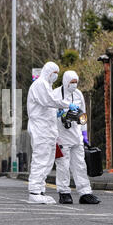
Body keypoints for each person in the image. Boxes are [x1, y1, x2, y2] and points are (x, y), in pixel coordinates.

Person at [27, 62, 78, 204]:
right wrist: (67, 105)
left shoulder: (46, 86)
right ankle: (34, 191)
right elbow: (49, 101)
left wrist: (57, 113)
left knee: (48, 161)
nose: (56, 76)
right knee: (41, 159)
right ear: (49, 72)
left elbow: (47, 107)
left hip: (48, 130)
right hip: (41, 130)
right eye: (54, 72)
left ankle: (39, 190)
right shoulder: (39, 84)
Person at [54, 71, 101, 205]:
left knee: (80, 165)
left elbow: (83, 115)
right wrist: (59, 114)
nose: (74, 85)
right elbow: (49, 113)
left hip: (76, 135)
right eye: (71, 82)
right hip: (61, 136)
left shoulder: (78, 94)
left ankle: (85, 192)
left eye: (76, 82)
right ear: (65, 81)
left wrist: (84, 134)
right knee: (63, 165)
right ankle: (64, 192)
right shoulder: (56, 94)